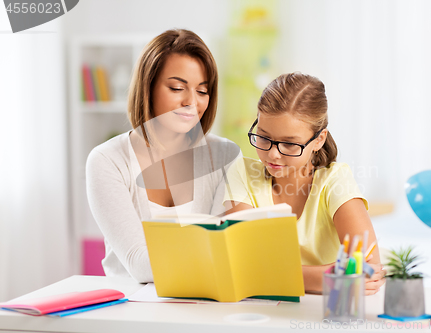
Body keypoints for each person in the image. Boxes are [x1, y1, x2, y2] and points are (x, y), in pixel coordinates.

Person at [86, 29, 239, 283]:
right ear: (148, 87)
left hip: (204, 305)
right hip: (128, 309)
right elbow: (139, 265)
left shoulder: (224, 155)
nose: (192, 102)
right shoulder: (107, 160)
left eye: (202, 91)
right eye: (178, 88)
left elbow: (227, 247)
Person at [223, 72, 385, 295]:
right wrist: (328, 277)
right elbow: (239, 264)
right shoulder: (240, 172)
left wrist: (271, 274)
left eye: (289, 144)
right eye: (263, 137)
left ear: (319, 139)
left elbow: (367, 270)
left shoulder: (334, 180)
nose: (273, 154)